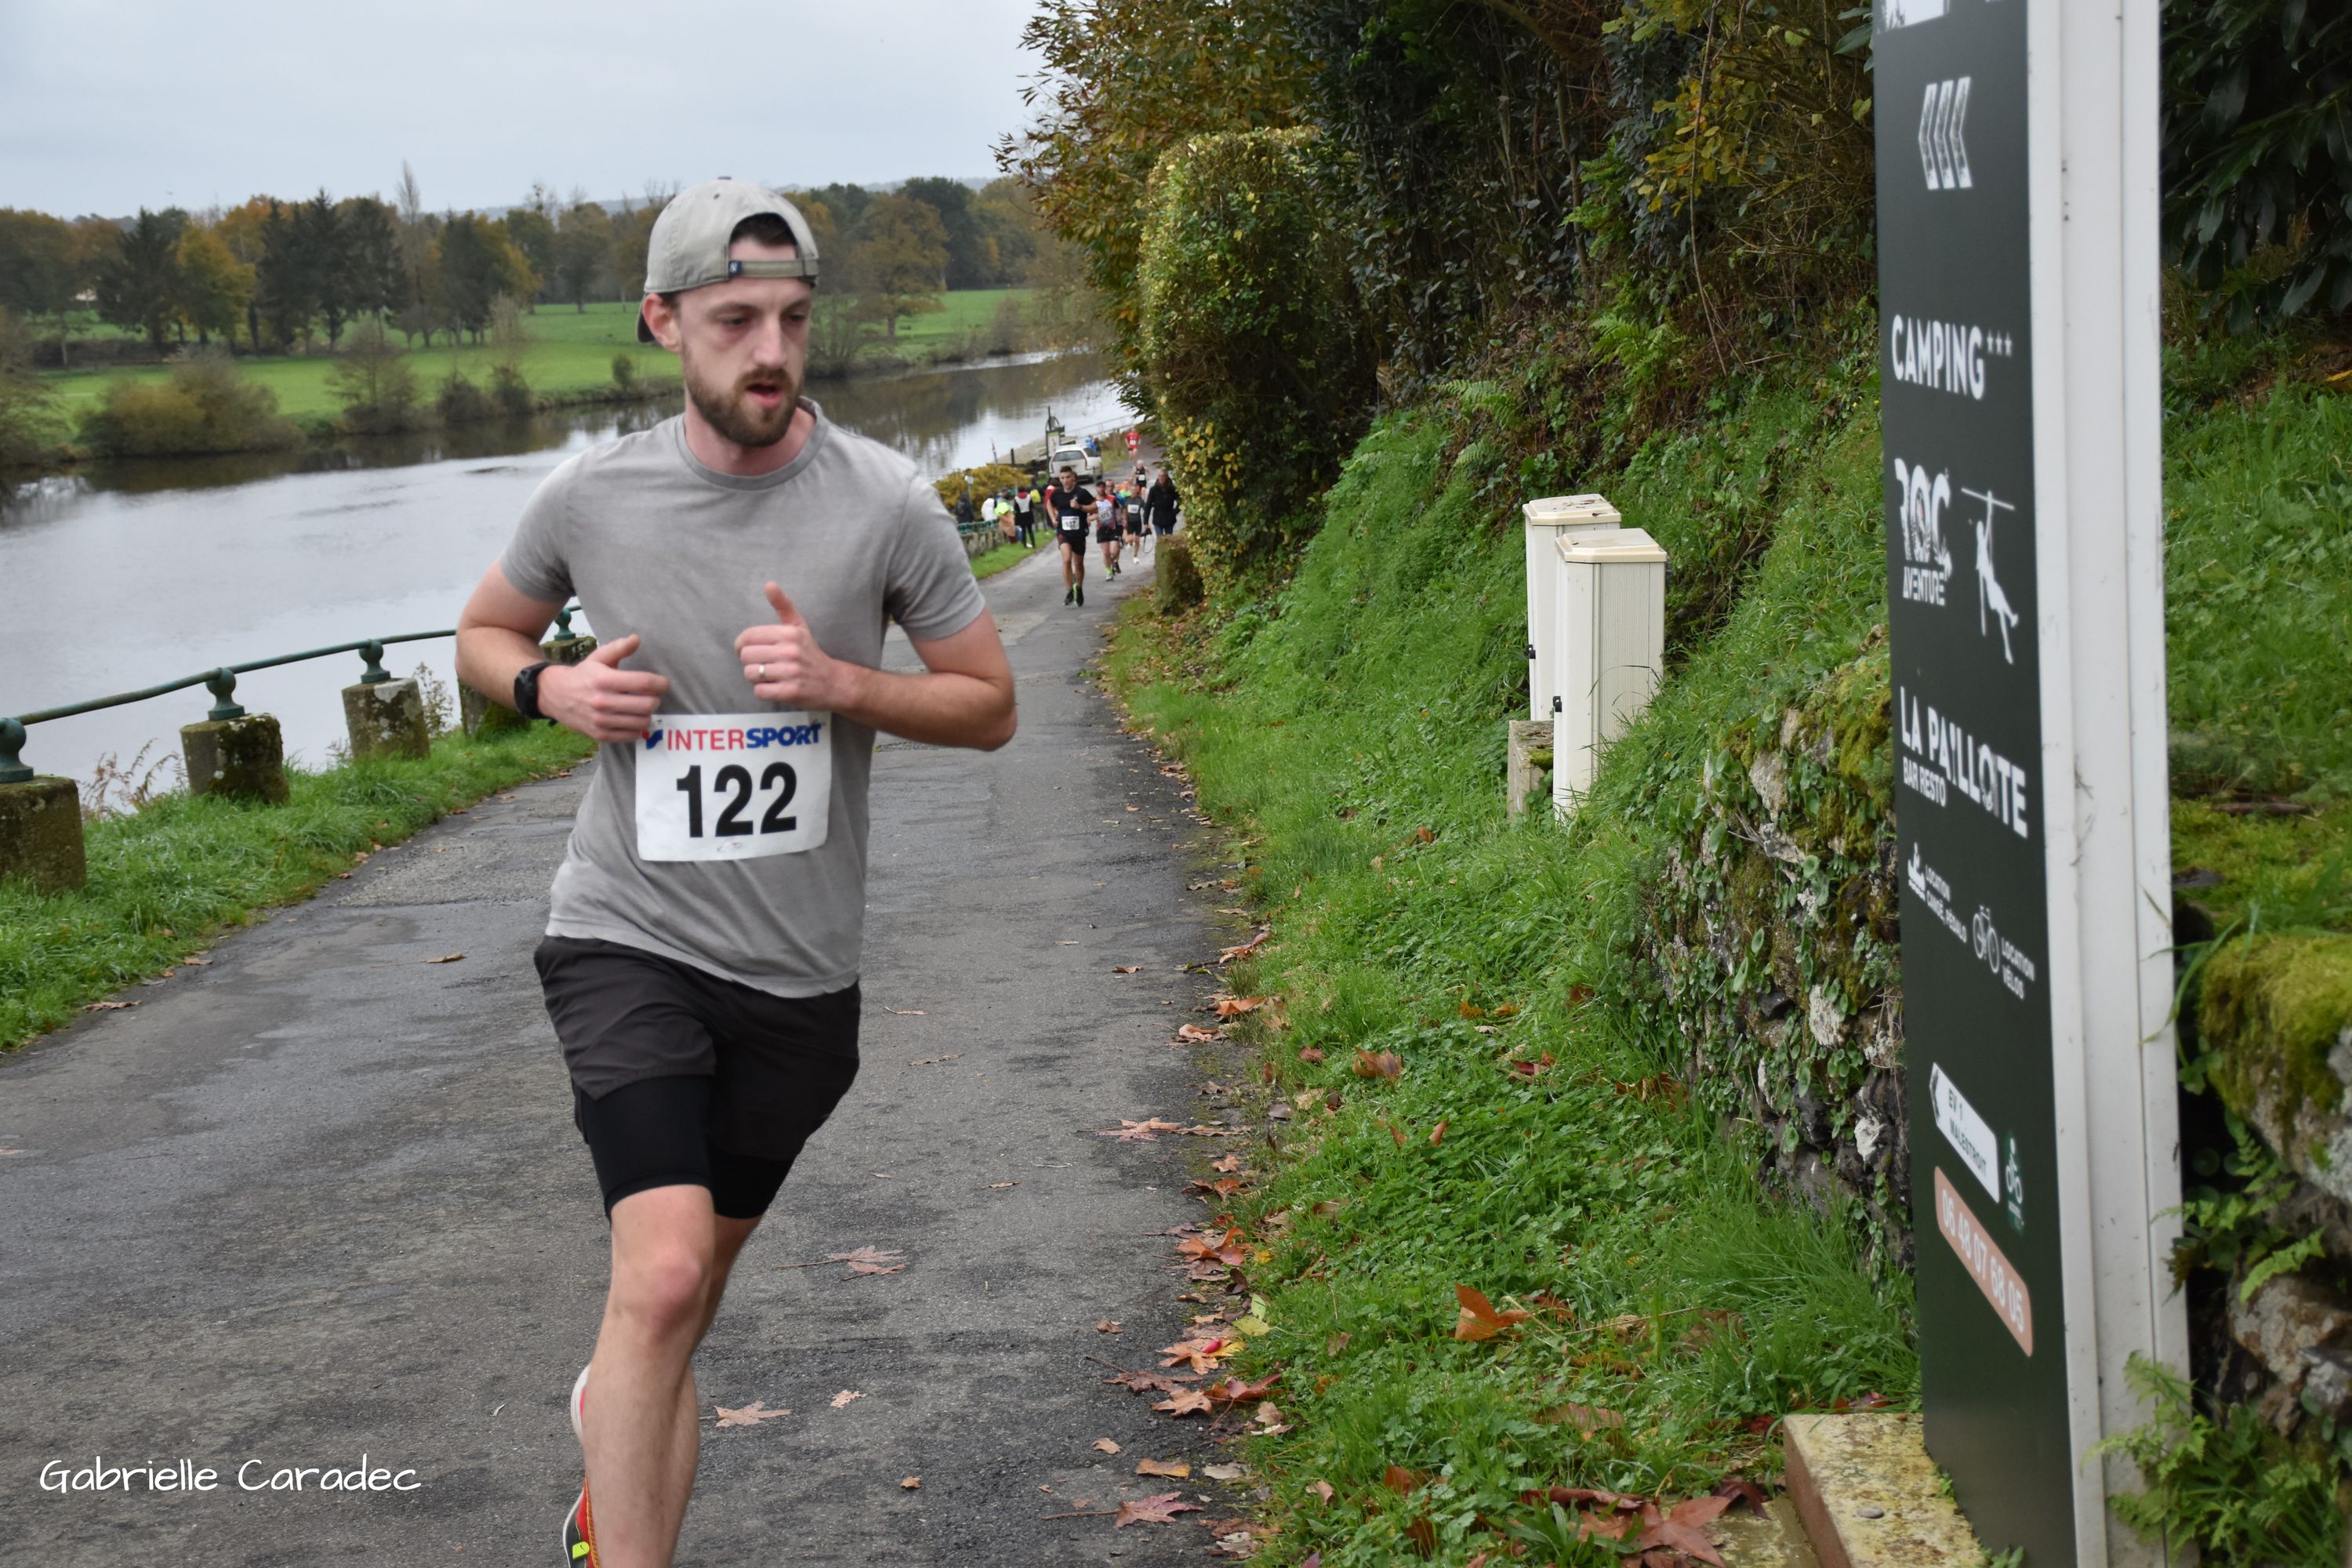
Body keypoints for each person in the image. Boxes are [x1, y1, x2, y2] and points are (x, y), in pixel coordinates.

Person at [452, 177, 1016, 1568]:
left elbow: (990, 704)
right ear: (663, 322)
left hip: (799, 981)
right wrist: (548, 687)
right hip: (626, 935)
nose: (772, 351)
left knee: (676, 1310)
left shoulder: (885, 502)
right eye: (736, 321)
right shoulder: (593, 496)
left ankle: (612, 1427)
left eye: (794, 319)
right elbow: (481, 632)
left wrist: (844, 684)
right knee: (656, 1280)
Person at [1045, 463, 1093, 605]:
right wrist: (1053, 518)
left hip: (1079, 533)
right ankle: (1069, 590)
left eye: (1068, 477)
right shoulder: (1057, 494)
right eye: (1063, 478)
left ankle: (1079, 588)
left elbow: (1095, 507)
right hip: (1063, 532)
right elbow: (1049, 504)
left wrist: (1080, 507)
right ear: (1060, 479)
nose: (1065, 480)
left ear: (1073, 478)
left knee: (1078, 564)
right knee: (1066, 559)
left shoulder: (1082, 493)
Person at [1145, 466, 1180, 545]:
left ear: (1166, 477)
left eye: (1163, 476)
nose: (1161, 478)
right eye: (1160, 476)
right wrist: (1145, 522)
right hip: (1158, 518)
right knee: (1160, 540)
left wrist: (1174, 512)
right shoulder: (1153, 489)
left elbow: (1180, 502)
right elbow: (1148, 505)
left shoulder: (1172, 489)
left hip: (1169, 518)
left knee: (1169, 540)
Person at [1096, 485, 1121, 579]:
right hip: (1101, 529)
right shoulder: (1093, 501)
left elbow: (1118, 508)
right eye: (1099, 487)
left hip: (1112, 528)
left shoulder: (1112, 498)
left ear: (1105, 488)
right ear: (1096, 489)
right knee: (1106, 553)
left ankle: (1114, 562)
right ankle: (1109, 571)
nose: (1101, 489)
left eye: (1102, 487)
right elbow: (1089, 513)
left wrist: (1119, 515)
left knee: (1113, 552)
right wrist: (1090, 519)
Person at [1122, 481, 1146, 561]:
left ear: (1137, 490)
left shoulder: (1140, 500)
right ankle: (1128, 543)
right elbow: (1123, 510)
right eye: (1132, 490)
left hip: (1138, 522)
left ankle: (1135, 556)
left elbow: (1146, 509)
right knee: (1131, 539)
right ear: (1130, 490)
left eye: (1135, 490)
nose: (1134, 491)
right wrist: (1124, 519)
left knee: (1137, 540)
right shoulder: (1126, 499)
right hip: (1129, 522)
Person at [1011, 483, 1035, 548]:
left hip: (1021, 515)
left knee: (1023, 531)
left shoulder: (1016, 498)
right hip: (1029, 514)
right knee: (1030, 530)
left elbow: (1015, 508)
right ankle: (1033, 543)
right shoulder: (1029, 496)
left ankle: (1024, 544)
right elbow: (1032, 506)